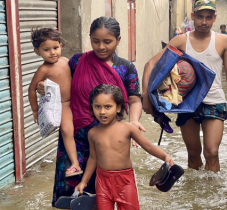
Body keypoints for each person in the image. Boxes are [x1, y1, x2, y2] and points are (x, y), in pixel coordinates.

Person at [35, 17, 145, 207]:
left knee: (105, 190)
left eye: (107, 42)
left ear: (118, 40)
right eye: (96, 41)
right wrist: (43, 85)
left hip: (108, 139)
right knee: (71, 193)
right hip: (75, 135)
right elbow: (57, 77)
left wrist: (134, 120)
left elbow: (135, 99)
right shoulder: (78, 61)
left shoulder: (126, 68)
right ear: (90, 39)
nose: (101, 46)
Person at [142, 0, 227, 172]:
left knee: (212, 152)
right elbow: (150, 65)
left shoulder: (223, 41)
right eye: (200, 17)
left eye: (209, 18)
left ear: (214, 18)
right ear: (193, 17)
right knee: (193, 153)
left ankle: (213, 194)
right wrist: (146, 98)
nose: (204, 22)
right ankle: (196, 194)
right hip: (187, 104)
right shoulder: (180, 41)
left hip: (214, 101)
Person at [74, 84, 174, 209]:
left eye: (108, 106)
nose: (102, 111)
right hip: (102, 181)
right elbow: (93, 159)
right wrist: (83, 182)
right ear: (92, 107)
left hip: (125, 180)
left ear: (118, 107)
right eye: (97, 107)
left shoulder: (128, 129)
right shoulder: (93, 133)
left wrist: (165, 156)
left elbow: (147, 146)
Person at [28, 28, 82, 177]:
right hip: (63, 105)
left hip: (77, 102)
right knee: (66, 131)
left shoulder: (66, 61)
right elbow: (31, 90)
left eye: (55, 48)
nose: (52, 52)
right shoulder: (43, 69)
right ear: (37, 52)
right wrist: (35, 110)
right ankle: (75, 163)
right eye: (46, 49)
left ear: (61, 46)